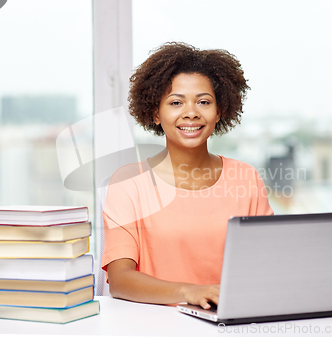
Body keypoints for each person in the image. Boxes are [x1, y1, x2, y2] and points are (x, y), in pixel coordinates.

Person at [101, 42, 273, 310]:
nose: (191, 112)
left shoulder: (245, 178)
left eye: (203, 102)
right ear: (156, 113)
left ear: (219, 111)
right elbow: (119, 279)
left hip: (228, 321)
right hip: (154, 325)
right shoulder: (128, 183)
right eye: (176, 102)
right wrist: (189, 292)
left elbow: (267, 265)